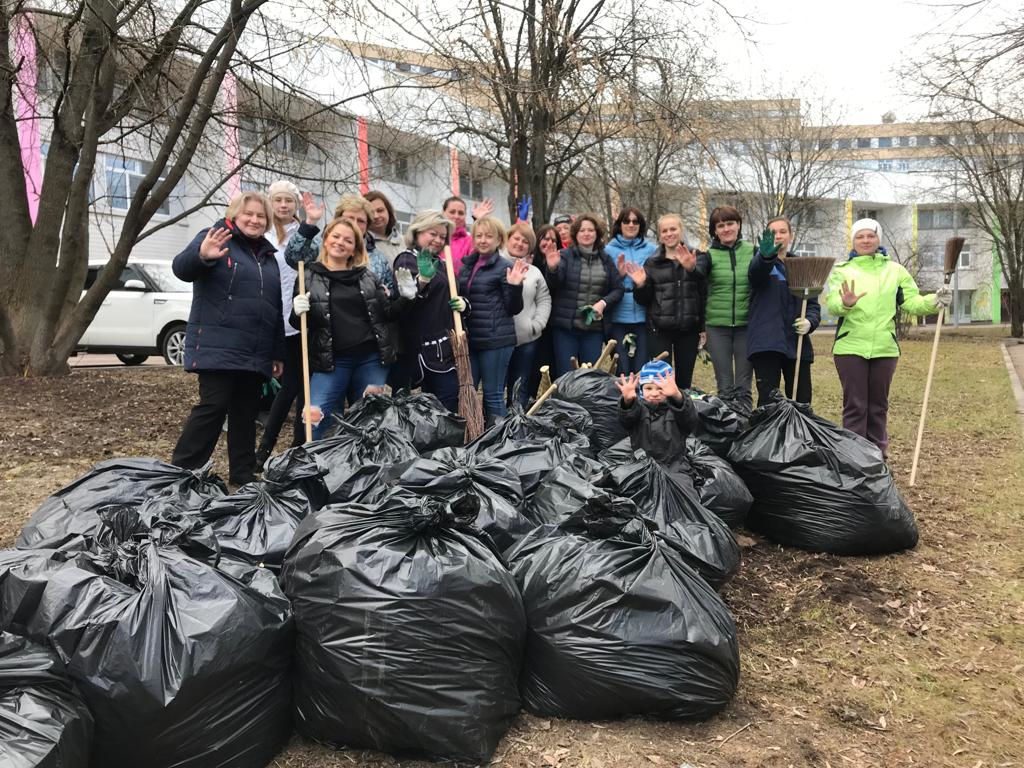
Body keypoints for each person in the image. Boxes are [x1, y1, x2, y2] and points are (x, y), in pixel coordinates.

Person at [170, 191, 285, 486]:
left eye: (261, 216)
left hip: (254, 350)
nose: (255, 220)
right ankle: (183, 471)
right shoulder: (215, 238)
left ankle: (243, 474)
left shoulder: (268, 257)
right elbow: (181, 269)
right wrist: (201, 256)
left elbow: (273, 307)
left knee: (245, 413)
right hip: (218, 345)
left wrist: (276, 352)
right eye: (249, 214)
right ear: (235, 214)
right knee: (213, 406)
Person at [825, 218, 950, 457]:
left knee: (878, 407)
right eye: (860, 236)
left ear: (878, 239)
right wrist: (845, 303)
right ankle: (855, 458)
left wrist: (935, 300)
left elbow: (912, 302)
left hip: (885, 348)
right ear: (853, 240)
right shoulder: (843, 271)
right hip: (850, 347)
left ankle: (877, 457)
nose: (865, 240)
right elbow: (832, 305)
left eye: (870, 236)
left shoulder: (895, 271)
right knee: (855, 406)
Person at [289, 217, 414, 440]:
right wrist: (297, 311)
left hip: (371, 359)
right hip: (331, 361)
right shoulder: (308, 276)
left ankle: (368, 470)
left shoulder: (367, 277)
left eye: (348, 240)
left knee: (370, 420)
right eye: (336, 236)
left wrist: (406, 298)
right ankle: (322, 468)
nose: (340, 242)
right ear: (326, 240)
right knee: (315, 418)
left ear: (355, 247)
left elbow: (386, 314)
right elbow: (298, 324)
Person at [391, 210, 467, 412]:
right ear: (417, 232)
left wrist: (464, 304)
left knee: (447, 400)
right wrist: (421, 281)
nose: (438, 240)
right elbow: (406, 301)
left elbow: (451, 295)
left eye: (442, 236)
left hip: (448, 344)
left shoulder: (442, 264)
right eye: (432, 234)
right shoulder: (407, 259)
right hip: (424, 347)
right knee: (445, 398)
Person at [457, 216, 528, 423]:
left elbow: (514, 307)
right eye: (478, 235)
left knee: (493, 394)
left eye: (489, 236)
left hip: (496, 340)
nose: (483, 240)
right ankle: (473, 434)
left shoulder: (503, 267)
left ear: (499, 240)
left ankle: (499, 441)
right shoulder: (467, 266)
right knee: (467, 391)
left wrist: (515, 287)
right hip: (471, 339)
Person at [255, 180, 305, 465]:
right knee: (287, 386)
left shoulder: (302, 234)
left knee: (297, 385)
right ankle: (266, 447)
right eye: (278, 200)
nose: (283, 205)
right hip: (272, 321)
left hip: (298, 319)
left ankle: (294, 448)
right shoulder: (263, 235)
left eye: (289, 200)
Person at [747, 217, 820, 406]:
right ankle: (770, 435)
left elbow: (812, 304)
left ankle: (799, 435)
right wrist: (765, 257)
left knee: (801, 399)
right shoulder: (759, 261)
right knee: (769, 402)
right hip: (766, 342)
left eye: (783, 232)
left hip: (797, 344)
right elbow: (756, 275)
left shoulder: (802, 266)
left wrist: (810, 322)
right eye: (773, 233)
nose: (778, 236)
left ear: (790, 235)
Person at [627, 213, 705, 389]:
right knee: (660, 381)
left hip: (688, 330)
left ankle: (681, 413)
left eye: (673, 229)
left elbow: (703, 290)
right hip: (659, 330)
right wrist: (640, 285)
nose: (669, 234)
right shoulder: (652, 263)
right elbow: (643, 300)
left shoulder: (696, 256)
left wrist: (691, 268)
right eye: (664, 231)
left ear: (681, 230)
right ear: (660, 235)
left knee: (684, 382)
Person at [543, 213, 624, 376]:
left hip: (593, 330)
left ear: (597, 233)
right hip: (566, 328)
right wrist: (552, 269)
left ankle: (586, 403)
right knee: (566, 375)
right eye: (582, 230)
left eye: (590, 230)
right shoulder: (565, 256)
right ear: (575, 234)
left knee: (590, 376)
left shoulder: (606, 259)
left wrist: (603, 303)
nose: (586, 234)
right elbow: (554, 285)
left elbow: (618, 289)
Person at [696, 205, 754, 399]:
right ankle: (728, 426)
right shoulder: (708, 256)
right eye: (720, 225)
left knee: (744, 384)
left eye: (730, 223)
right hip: (717, 327)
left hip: (746, 326)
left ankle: (745, 424)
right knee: (725, 384)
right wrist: (690, 267)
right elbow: (698, 282)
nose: (726, 229)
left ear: (738, 225)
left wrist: (768, 258)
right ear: (714, 231)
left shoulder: (753, 251)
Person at [616, 359, 699, 466]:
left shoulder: (676, 410)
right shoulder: (638, 409)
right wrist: (627, 401)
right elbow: (626, 420)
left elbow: (690, 420)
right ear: (641, 390)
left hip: (675, 465)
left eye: (660, 388)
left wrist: (677, 396)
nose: (654, 393)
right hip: (642, 465)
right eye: (649, 388)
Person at [505, 222, 552, 406]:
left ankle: (517, 423)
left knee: (520, 385)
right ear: (508, 239)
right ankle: (494, 424)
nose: (519, 243)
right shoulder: (496, 266)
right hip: (498, 340)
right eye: (516, 238)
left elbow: (544, 300)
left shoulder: (534, 272)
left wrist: (537, 324)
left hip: (526, 339)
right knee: (496, 386)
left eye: (525, 241)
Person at [607, 207, 657, 374]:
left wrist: (643, 282)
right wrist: (619, 276)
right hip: (618, 317)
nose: (631, 224)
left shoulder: (651, 250)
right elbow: (603, 284)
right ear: (619, 224)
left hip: (643, 317)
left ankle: (641, 398)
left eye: (635, 221)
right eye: (626, 221)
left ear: (641, 225)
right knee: (621, 367)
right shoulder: (608, 250)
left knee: (641, 367)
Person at [332, 193, 396, 296]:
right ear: (338, 219)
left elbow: (391, 292)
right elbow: (298, 259)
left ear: (367, 226)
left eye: (361, 221)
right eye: (350, 218)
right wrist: (310, 223)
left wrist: (388, 295)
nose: (354, 224)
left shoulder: (379, 259)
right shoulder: (323, 246)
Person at [443, 195, 494, 275]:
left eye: (461, 213)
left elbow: (479, 254)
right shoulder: (435, 239)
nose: (456, 216)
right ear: (443, 213)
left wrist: (476, 220)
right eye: (452, 212)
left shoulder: (469, 241)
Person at [365, 190, 404, 267]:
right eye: (371, 212)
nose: (376, 216)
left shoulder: (405, 243)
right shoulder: (362, 243)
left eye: (380, 210)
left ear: (389, 211)